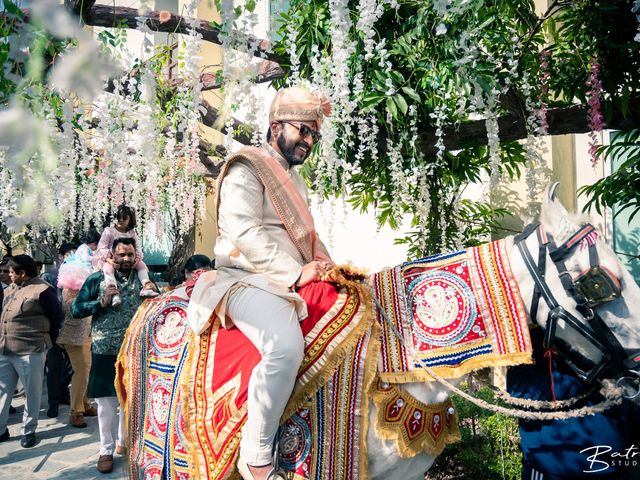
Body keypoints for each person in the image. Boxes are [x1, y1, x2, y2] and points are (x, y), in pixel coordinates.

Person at [187, 86, 334, 480]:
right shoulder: (246, 166)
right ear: (275, 127)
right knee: (284, 347)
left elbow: (309, 240)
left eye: (314, 136)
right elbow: (244, 229)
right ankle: (255, 457)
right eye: (303, 131)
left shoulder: (296, 182)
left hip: (282, 282)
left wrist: (331, 266)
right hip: (244, 279)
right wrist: (295, 273)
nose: (308, 141)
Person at [72, 237, 149, 473]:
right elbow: (76, 309)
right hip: (105, 349)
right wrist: (101, 302)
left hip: (136, 349)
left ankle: (123, 442)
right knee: (106, 404)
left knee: (133, 399)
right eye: (121, 255)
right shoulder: (97, 279)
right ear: (112, 256)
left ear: (136, 256)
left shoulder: (143, 279)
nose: (126, 259)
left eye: (130, 254)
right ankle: (105, 450)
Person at [0, 254, 64, 448]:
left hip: (30, 350)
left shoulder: (43, 291)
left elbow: (57, 317)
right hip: (5, 348)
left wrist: (46, 342)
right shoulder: (10, 289)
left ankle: (28, 431)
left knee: (32, 392)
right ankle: (1, 430)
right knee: (3, 392)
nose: (7, 275)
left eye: (11, 272)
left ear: (22, 273)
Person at [57, 229, 102, 428]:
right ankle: (75, 411)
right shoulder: (72, 279)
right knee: (81, 372)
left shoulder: (89, 275)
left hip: (87, 333)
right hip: (73, 334)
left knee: (87, 370)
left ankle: (84, 404)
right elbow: (69, 308)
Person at [94, 205, 158, 307]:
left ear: (130, 219)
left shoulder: (132, 232)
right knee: (108, 270)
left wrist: (137, 258)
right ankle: (114, 294)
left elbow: (137, 247)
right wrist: (109, 259)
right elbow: (101, 247)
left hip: (130, 260)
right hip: (111, 259)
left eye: (124, 218)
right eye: (118, 217)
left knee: (142, 266)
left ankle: (146, 287)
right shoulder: (109, 231)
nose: (121, 220)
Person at [43, 242, 77, 418]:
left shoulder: (82, 274)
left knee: (71, 368)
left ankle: (64, 394)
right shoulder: (49, 276)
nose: (72, 257)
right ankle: (53, 404)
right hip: (55, 329)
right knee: (54, 368)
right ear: (60, 256)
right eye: (68, 254)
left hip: (74, 328)